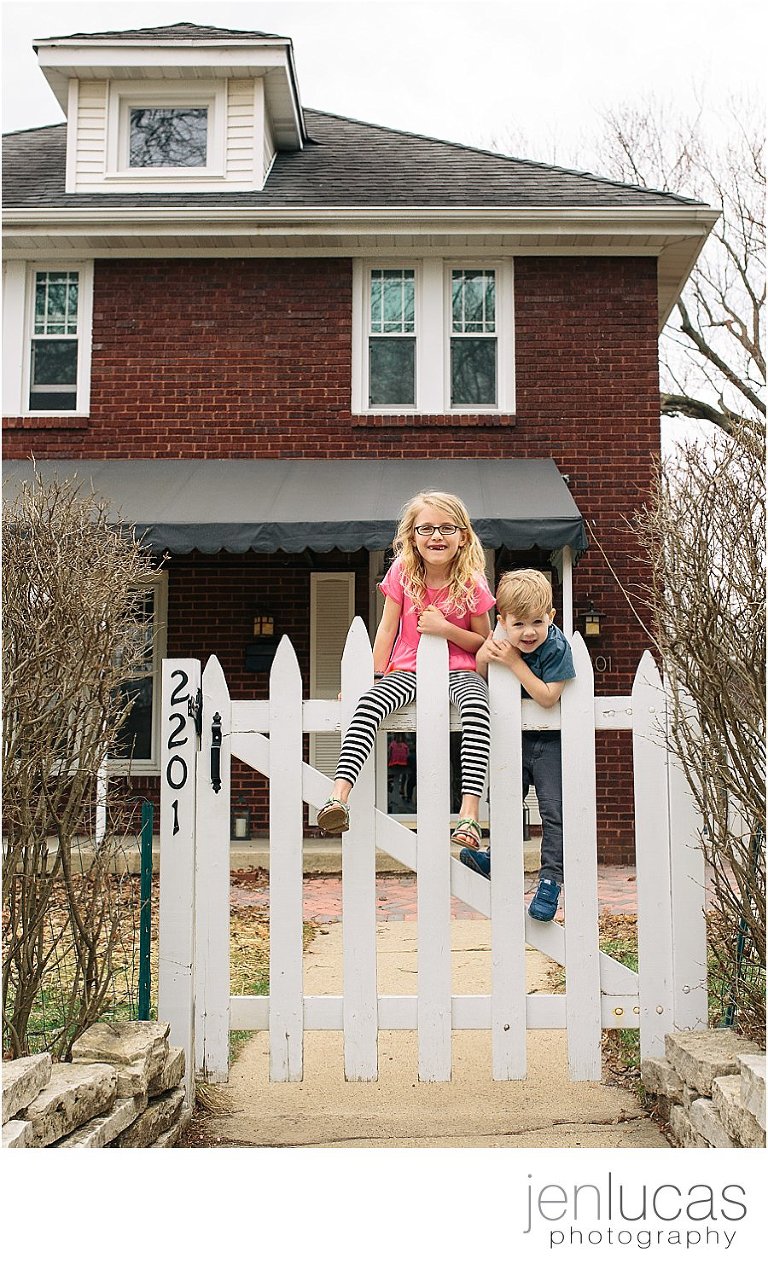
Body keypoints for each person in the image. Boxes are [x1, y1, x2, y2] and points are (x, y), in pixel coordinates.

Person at [317, 491, 495, 850]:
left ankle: (469, 814)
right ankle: (338, 797)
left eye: (447, 528)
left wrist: (446, 629)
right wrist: (368, 678)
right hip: (407, 669)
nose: (436, 537)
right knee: (368, 706)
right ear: (412, 536)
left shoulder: (472, 581)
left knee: (477, 710)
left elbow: (485, 641)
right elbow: (386, 629)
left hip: (459, 671)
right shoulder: (402, 573)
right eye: (426, 528)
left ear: (463, 537)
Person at [460, 568, 575, 922]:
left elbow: (546, 697)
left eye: (537, 622)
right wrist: (486, 654)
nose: (528, 632)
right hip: (512, 738)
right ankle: (497, 859)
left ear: (551, 617)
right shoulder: (501, 639)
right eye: (519, 623)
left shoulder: (557, 646)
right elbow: (480, 672)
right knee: (506, 801)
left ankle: (550, 883)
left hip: (550, 743)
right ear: (502, 620)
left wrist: (512, 661)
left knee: (553, 813)